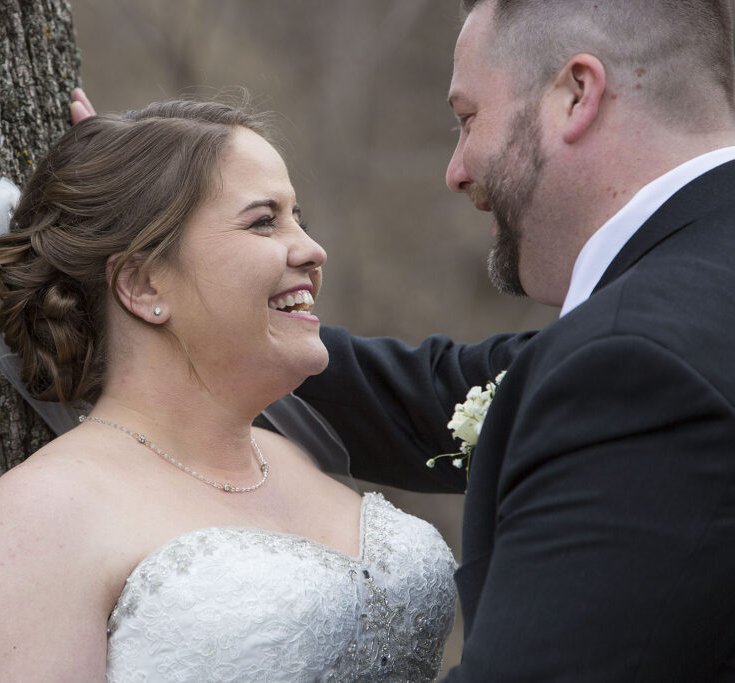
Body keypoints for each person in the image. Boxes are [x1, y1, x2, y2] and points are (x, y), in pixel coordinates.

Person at [0, 99, 458, 681]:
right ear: (144, 284)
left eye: (300, 217)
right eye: (263, 221)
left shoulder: (297, 455)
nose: (313, 250)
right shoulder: (32, 526)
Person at [288, 0, 735, 680]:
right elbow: (437, 394)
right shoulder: (689, 294)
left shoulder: (634, 362)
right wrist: (192, 291)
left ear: (576, 94)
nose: (457, 170)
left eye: (468, 120)